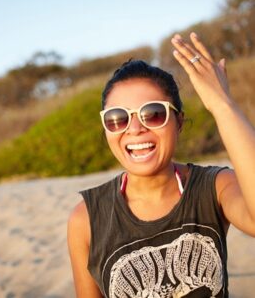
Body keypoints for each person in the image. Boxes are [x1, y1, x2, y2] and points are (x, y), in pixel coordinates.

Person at [67, 32, 255, 298]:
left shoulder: (215, 187)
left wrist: (222, 105)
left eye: (153, 114)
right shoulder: (86, 219)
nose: (134, 129)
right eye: (117, 118)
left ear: (178, 122)